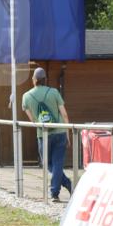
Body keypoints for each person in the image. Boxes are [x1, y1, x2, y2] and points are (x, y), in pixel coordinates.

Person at [22, 67, 72, 202]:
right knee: (57, 163)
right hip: (60, 130)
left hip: (42, 134)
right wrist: (68, 134)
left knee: (48, 163)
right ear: (45, 80)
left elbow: (32, 120)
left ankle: (55, 191)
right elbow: (65, 115)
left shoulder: (26, 96)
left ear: (34, 80)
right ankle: (66, 185)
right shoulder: (54, 92)